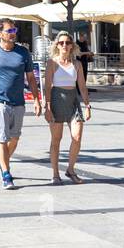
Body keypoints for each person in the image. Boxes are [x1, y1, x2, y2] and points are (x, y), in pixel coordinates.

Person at [0, 19, 41, 190]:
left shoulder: (23, 53)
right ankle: (6, 174)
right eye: (10, 30)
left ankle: (2, 161)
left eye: (14, 29)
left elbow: (31, 78)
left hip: (19, 102)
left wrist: (36, 99)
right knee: (2, 138)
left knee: (15, 137)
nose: (13, 33)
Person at [43, 31, 92, 184]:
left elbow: (82, 87)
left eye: (68, 42)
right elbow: (47, 87)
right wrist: (47, 107)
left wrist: (87, 105)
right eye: (61, 42)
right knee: (56, 139)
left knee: (76, 137)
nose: (65, 45)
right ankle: (55, 174)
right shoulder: (52, 63)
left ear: (72, 46)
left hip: (73, 101)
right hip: (57, 100)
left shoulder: (77, 64)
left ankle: (70, 169)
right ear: (57, 45)